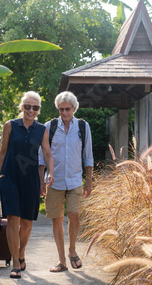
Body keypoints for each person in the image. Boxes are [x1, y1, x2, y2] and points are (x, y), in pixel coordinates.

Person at [0, 91, 54, 279]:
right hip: (10, 177)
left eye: (35, 107)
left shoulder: (42, 129)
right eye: (27, 106)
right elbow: (2, 153)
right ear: (21, 107)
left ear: (39, 110)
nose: (31, 110)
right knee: (13, 219)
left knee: (27, 222)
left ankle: (21, 252)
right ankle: (15, 263)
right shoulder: (10, 125)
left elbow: (48, 154)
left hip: (30, 180)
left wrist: (50, 173)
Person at [38, 91, 94, 272]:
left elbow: (88, 156)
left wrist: (89, 181)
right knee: (56, 219)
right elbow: (42, 157)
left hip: (75, 180)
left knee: (74, 214)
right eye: (61, 109)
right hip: (54, 181)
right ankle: (62, 261)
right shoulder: (49, 127)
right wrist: (41, 181)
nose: (64, 113)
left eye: (67, 109)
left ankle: (72, 250)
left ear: (74, 108)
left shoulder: (83, 127)